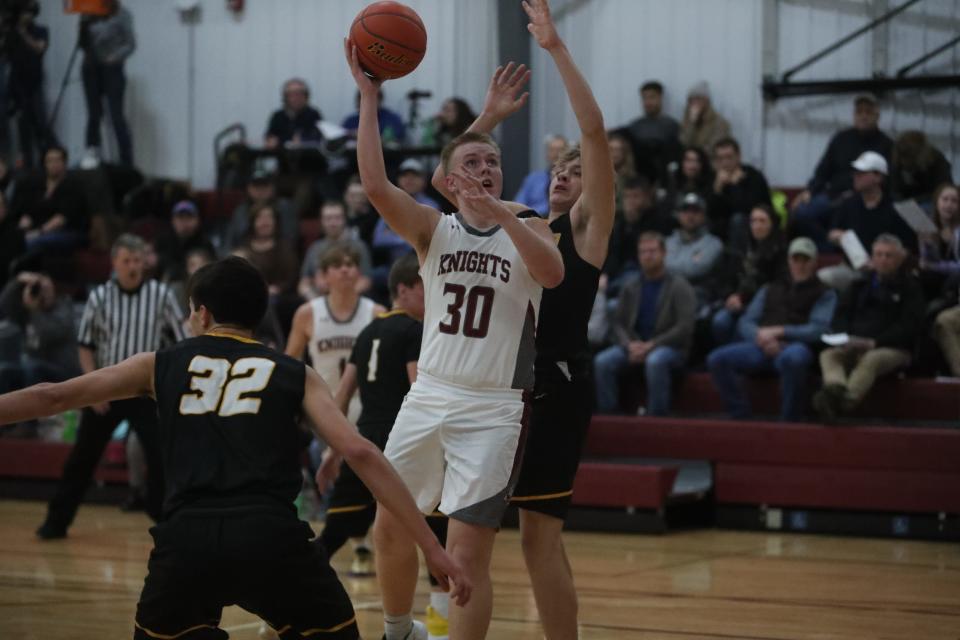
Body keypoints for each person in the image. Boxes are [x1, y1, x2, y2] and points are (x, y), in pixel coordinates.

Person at [0, 256, 470, 639]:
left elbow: (52, 396)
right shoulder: (294, 373)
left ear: (202, 313)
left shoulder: (157, 363)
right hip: (271, 537)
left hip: (187, 539)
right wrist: (432, 546)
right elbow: (363, 452)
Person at [347, 11, 565, 636]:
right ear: (451, 179)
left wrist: (500, 205)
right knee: (390, 524)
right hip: (430, 395)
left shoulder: (529, 222)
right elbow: (373, 181)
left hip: (494, 409)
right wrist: (370, 96)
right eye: (473, 164)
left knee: (467, 557)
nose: (485, 170)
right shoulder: (432, 230)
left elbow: (551, 275)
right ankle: (397, 630)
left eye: (493, 163)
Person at [432, 2, 614, 635]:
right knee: (465, 546)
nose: (564, 177)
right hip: (494, 395)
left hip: (555, 389)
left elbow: (593, 133)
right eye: (556, 171)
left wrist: (556, 49)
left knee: (539, 544)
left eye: (573, 173)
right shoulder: (522, 224)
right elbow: (444, 180)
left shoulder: (586, 231)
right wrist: (486, 120)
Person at [311, 255, 443, 622]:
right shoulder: (413, 331)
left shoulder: (368, 332)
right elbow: (419, 390)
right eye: (423, 288)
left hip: (363, 442)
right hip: (402, 442)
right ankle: (440, 622)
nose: (430, 295)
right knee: (437, 528)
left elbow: (340, 395)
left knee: (335, 531)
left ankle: (290, 594)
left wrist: (332, 451)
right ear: (403, 290)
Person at [35, 234, 186, 539]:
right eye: (127, 261)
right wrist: (92, 388)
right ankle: (56, 521)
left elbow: (181, 340)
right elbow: (86, 346)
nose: (133, 266)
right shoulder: (100, 296)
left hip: (146, 390)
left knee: (161, 457)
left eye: (138, 260)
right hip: (107, 388)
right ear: (114, 262)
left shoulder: (161, 294)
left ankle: (164, 518)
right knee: (82, 457)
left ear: (145, 262)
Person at [707, 238, 837, 421]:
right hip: (761, 346)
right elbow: (746, 321)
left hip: (795, 346)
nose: (800, 265)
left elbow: (818, 329)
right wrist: (761, 337)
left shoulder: (825, 293)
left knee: (794, 358)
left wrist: (780, 332)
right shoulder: (770, 288)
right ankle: (740, 415)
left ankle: (789, 421)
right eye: (796, 259)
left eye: (805, 260)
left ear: (814, 263)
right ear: (789, 261)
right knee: (717, 359)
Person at [813, 234, 924, 421]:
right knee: (829, 355)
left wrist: (875, 342)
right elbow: (841, 315)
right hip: (855, 342)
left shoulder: (910, 287)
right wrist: (844, 338)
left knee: (871, 359)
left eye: (889, 255)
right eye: (879, 254)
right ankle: (835, 391)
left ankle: (842, 404)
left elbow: (909, 327)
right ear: (872, 257)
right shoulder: (859, 283)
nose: (883, 259)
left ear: (899, 259)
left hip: (892, 348)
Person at [594, 232, 696, 416]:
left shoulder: (679, 286)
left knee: (655, 361)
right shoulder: (631, 285)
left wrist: (651, 345)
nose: (647, 256)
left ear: (664, 253)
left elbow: (685, 326)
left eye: (652, 251)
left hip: (670, 347)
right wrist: (629, 345)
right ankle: (609, 414)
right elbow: (618, 323)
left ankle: (657, 417)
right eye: (643, 252)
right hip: (634, 345)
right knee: (602, 362)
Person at [285, 244, 383, 422]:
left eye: (350, 264)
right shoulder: (307, 313)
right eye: (337, 266)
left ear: (359, 273)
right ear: (323, 276)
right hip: (323, 404)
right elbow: (291, 362)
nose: (345, 269)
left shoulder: (376, 313)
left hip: (366, 404)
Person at [791, 95, 893, 248]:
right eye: (859, 112)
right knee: (801, 213)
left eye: (868, 112)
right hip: (834, 194)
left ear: (877, 116)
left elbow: (887, 179)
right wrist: (810, 191)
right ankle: (829, 245)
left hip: (864, 196)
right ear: (854, 115)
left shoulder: (887, 144)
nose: (863, 116)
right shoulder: (841, 139)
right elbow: (823, 170)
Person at [820, 151, 916, 291]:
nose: (856, 176)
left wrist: (882, 263)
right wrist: (839, 237)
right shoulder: (848, 203)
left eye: (862, 172)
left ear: (878, 177)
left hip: (886, 273)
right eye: (855, 172)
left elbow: (907, 248)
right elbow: (832, 232)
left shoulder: (896, 207)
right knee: (822, 278)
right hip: (851, 269)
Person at [711, 204, 787, 345]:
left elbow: (775, 285)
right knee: (720, 321)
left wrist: (743, 298)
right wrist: (730, 296)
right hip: (737, 301)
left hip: (763, 305)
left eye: (762, 221)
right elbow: (726, 277)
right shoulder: (740, 247)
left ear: (773, 224)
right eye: (753, 221)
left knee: (741, 325)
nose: (757, 225)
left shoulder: (780, 250)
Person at [0, 271, 80, 396]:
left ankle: (32, 415)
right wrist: (18, 280)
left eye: (46, 286)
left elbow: (49, 335)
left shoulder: (64, 305)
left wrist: (35, 311)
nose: (44, 292)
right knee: (4, 371)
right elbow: (4, 304)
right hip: (33, 368)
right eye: (40, 287)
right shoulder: (26, 311)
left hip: (64, 371)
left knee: (31, 367)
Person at [78, 0, 136, 167]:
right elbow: (82, 44)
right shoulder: (89, 12)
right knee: (94, 114)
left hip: (113, 69)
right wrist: (84, 23)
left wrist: (115, 57)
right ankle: (92, 155)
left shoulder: (122, 14)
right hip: (91, 68)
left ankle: (126, 160)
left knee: (116, 116)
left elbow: (130, 44)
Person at [14, 145, 87, 256]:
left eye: (57, 160)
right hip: (40, 230)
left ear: (65, 163)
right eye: (49, 160)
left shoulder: (73, 185)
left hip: (67, 231)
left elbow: (61, 219)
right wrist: (24, 221)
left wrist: (39, 232)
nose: (53, 164)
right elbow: (29, 210)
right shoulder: (38, 184)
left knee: (31, 242)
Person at [9, 0, 55, 168]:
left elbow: (39, 48)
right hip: (17, 84)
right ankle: (28, 165)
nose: (25, 16)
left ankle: (49, 159)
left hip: (34, 82)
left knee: (41, 124)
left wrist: (23, 34)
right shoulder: (11, 33)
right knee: (23, 128)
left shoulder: (40, 30)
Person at [298, 200, 374, 299]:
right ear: (321, 221)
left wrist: (341, 298)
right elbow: (304, 283)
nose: (333, 223)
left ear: (344, 219)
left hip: (351, 299)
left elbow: (366, 281)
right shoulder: (314, 248)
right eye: (328, 218)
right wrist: (315, 301)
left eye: (337, 218)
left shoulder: (359, 246)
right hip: (320, 300)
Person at [664, 192, 724, 313]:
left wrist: (670, 265)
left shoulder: (713, 243)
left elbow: (694, 270)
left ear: (704, 215)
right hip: (666, 292)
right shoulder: (668, 241)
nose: (690, 215)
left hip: (698, 295)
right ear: (678, 215)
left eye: (695, 211)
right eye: (685, 211)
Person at [707, 137, 772, 245]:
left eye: (729, 157)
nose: (725, 162)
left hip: (751, 223)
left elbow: (748, 208)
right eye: (720, 159)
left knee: (738, 220)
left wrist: (736, 186)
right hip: (723, 226)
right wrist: (717, 189)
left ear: (738, 157)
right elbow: (710, 211)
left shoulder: (752, 175)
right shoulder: (713, 178)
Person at [222, 169, 298, 254]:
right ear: (248, 188)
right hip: (245, 257)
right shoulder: (241, 210)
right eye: (256, 186)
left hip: (278, 256)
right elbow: (229, 242)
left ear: (272, 187)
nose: (260, 190)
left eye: (264, 185)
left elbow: (290, 239)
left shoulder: (284, 207)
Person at [625, 80, 680, 183]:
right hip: (639, 177)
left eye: (652, 97)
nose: (648, 102)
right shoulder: (635, 126)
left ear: (660, 98)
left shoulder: (671, 125)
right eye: (645, 98)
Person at [154, 200, 215, 283]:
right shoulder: (162, 241)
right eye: (180, 217)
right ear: (173, 220)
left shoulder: (205, 243)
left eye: (189, 217)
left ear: (197, 220)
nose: (185, 222)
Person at [889, 130, 954, 204]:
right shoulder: (898, 159)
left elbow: (943, 189)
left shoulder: (938, 161)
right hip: (906, 201)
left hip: (930, 200)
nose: (905, 161)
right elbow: (894, 188)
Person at [513, 134, 567, 216]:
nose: (556, 154)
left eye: (560, 150)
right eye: (552, 150)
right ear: (547, 154)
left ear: (567, 154)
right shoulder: (533, 179)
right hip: (533, 220)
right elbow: (517, 205)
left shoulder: (571, 180)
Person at [264, 78, 323, 150]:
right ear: (285, 97)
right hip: (284, 158)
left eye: (299, 94)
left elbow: (318, 138)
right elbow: (270, 138)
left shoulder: (313, 115)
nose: (296, 98)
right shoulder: (278, 116)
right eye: (291, 94)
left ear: (306, 96)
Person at [678, 81, 731, 153]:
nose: (694, 103)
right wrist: (692, 124)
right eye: (691, 100)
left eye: (698, 99)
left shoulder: (720, 123)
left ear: (707, 101)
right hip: (690, 162)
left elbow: (714, 148)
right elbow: (683, 143)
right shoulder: (687, 120)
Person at [342, 88, 407, 146]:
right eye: (361, 99)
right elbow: (340, 139)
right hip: (354, 158)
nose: (365, 103)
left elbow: (395, 141)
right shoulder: (350, 121)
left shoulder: (392, 119)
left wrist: (363, 136)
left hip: (387, 158)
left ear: (380, 100)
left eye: (370, 99)